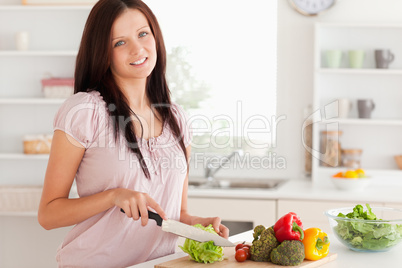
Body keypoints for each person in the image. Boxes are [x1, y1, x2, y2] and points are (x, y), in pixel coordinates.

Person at [37, 0, 229, 267]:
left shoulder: (177, 119)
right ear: (103, 53)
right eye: (120, 42)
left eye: (142, 34)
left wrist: (197, 224)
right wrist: (113, 196)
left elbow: (175, 212)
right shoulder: (84, 111)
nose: (138, 49)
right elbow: (48, 214)